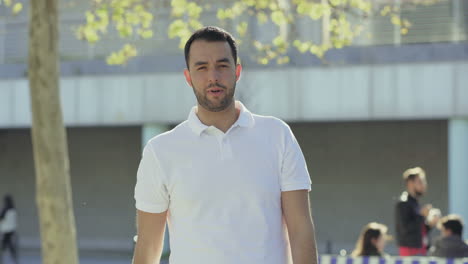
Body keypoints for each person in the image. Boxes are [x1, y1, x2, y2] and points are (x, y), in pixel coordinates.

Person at [132, 26, 318, 264]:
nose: (213, 77)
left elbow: (301, 230)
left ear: (237, 71)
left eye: (222, 65)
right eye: (202, 67)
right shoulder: (160, 151)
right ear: (188, 76)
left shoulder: (277, 136)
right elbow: (148, 246)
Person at [395, 167, 439, 256]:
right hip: (410, 251)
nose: (424, 185)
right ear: (410, 183)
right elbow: (405, 229)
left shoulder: (415, 203)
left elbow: (419, 230)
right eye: (420, 182)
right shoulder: (403, 203)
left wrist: (430, 224)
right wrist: (421, 215)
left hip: (421, 250)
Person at [0, 194, 18, 264]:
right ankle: (14, 259)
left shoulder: (5, 209)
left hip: (6, 230)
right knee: (10, 246)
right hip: (12, 230)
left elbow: (1, 217)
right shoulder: (13, 209)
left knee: (4, 246)